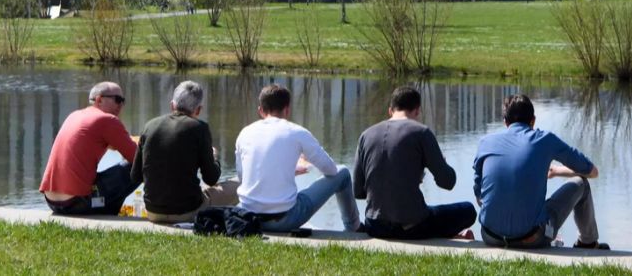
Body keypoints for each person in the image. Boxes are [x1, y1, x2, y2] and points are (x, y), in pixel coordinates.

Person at [473, 94, 609, 249]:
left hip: (490, 236)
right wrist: (558, 171)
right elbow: (592, 172)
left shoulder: (485, 143)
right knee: (581, 184)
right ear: (533, 120)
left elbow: (480, 198)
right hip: (532, 238)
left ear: (505, 122)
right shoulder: (545, 140)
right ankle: (588, 242)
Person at [354, 86, 476, 240]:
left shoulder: (365, 135)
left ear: (390, 111)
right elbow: (448, 182)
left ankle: (454, 235)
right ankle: (454, 235)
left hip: (375, 225)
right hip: (412, 227)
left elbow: (358, 191)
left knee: (428, 213)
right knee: (468, 210)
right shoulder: (421, 133)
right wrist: (441, 164)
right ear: (417, 110)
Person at [235, 84, 361, 232]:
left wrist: (286, 169)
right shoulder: (297, 132)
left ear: (260, 110)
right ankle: (354, 228)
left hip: (247, 217)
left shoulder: (245, 133)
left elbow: (243, 177)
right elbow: (331, 170)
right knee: (343, 172)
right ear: (287, 110)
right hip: (285, 219)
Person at [130, 81, 239, 223]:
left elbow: (135, 176)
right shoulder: (199, 128)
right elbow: (211, 178)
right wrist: (214, 158)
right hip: (187, 211)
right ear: (198, 110)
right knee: (239, 185)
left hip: (153, 212)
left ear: (172, 105)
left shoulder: (150, 125)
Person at [39, 82, 139, 215]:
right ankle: (161, 208)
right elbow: (137, 157)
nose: (121, 105)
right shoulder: (107, 120)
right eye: (117, 100)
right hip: (77, 203)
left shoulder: (75, 115)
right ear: (99, 99)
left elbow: (117, 144)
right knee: (140, 165)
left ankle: (109, 212)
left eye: (122, 101)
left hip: (52, 202)